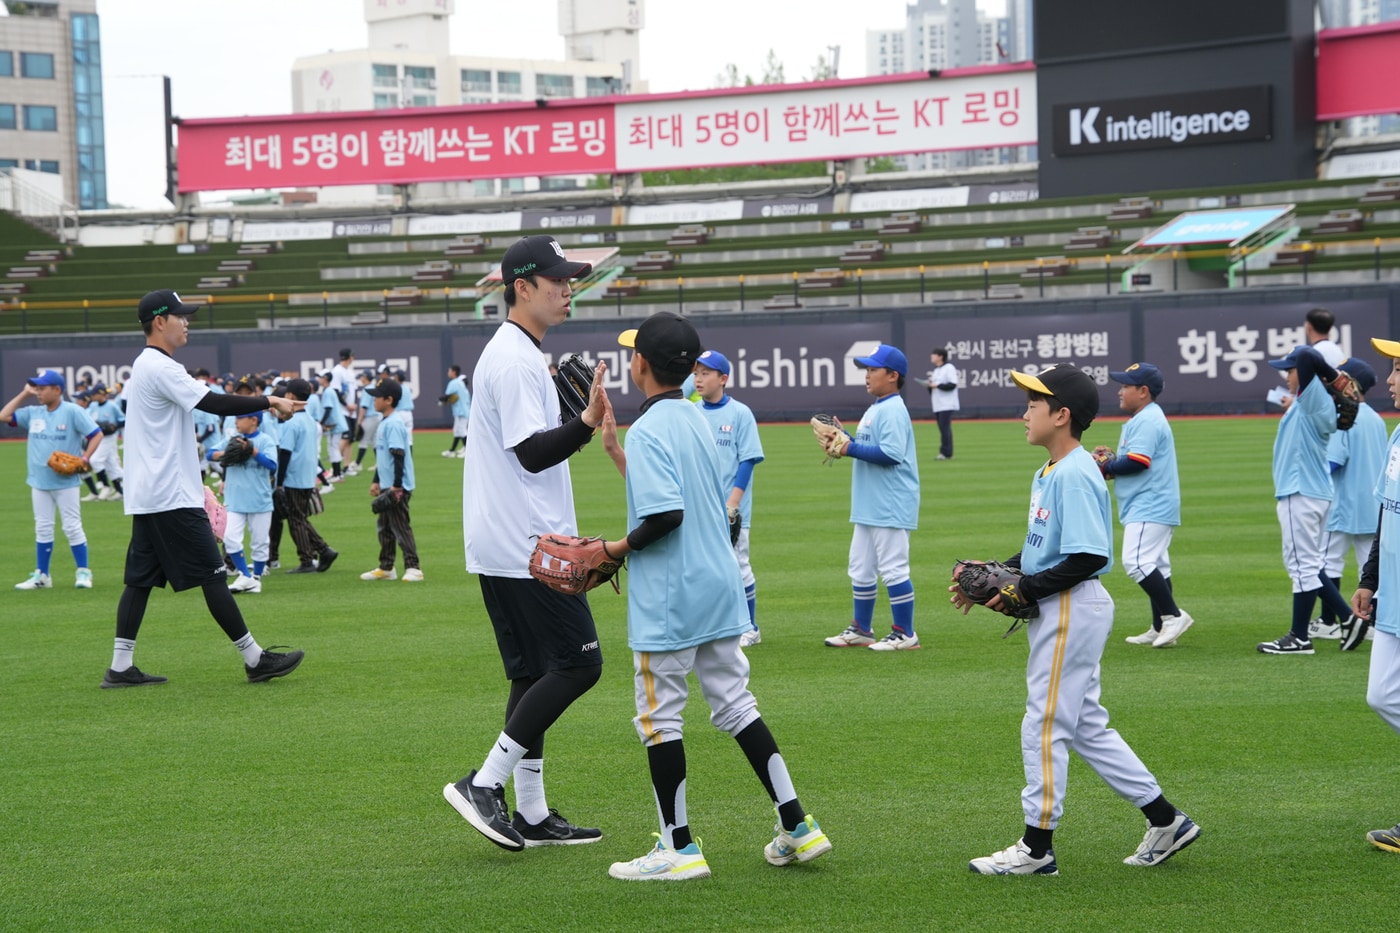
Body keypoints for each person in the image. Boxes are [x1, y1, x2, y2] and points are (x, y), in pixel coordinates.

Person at [600, 311, 831, 881]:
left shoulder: (651, 427)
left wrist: (610, 549)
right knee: (734, 703)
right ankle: (798, 826)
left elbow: (664, 513)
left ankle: (677, 849)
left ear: (641, 365)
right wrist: (614, 452)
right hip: (720, 583)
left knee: (659, 720)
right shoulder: (700, 419)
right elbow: (681, 492)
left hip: (672, 592)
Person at [952, 362, 1200, 875]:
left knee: (1043, 724)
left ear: (1062, 415)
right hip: (1063, 605)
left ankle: (1036, 849)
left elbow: (1089, 556)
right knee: (1085, 725)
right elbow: (1045, 549)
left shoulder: (1077, 471)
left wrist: (1023, 589)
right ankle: (1165, 819)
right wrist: (1000, 574)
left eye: (1034, 405)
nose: (1024, 414)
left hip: (1071, 608)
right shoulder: (1051, 470)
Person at [444, 234, 610, 851]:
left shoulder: (520, 352)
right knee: (580, 663)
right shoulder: (514, 359)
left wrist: (574, 423)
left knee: (535, 672)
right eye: (558, 280)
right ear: (522, 288)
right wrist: (586, 424)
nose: (569, 288)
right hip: (525, 544)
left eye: (571, 279)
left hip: (511, 537)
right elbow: (532, 453)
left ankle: (533, 812)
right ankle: (483, 783)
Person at [102, 290, 305, 688]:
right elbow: (213, 402)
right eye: (180, 316)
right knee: (214, 576)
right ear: (160, 321)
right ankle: (254, 658)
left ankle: (121, 667)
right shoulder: (159, 366)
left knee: (140, 580)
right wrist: (270, 401)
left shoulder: (149, 364)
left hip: (153, 492)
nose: (187, 321)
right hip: (169, 494)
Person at [1258, 345, 1362, 654]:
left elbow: (1305, 355)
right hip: (1308, 491)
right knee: (1308, 564)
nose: (1287, 374)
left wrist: (1331, 376)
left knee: (1302, 566)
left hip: (1301, 491)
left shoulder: (1315, 394)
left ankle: (1299, 637)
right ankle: (1348, 618)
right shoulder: (1313, 400)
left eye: (1289, 370)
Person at [822, 344, 922, 651]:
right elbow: (870, 447)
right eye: (866, 369)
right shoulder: (878, 407)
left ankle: (905, 633)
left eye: (873, 370)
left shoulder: (892, 409)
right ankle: (862, 629)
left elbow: (891, 454)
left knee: (893, 568)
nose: (867, 375)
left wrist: (848, 448)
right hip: (870, 504)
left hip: (889, 502)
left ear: (893, 376)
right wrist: (845, 437)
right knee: (861, 567)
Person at [1096, 363, 1194, 648]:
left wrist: (1106, 465)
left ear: (1143, 391)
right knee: (1158, 567)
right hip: (1151, 502)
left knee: (1137, 562)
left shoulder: (1148, 419)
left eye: (1126, 386)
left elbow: (1139, 461)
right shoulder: (1146, 416)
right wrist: (1111, 467)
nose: (1120, 391)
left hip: (1150, 503)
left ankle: (1173, 616)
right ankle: (1161, 626)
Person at [1351, 337, 1400, 853]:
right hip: (1392, 598)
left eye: (1398, 369)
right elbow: (1388, 515)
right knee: (1382, 694)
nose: (1389, 379)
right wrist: (1369, 578)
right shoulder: (1397, 435)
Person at [1, 369, 101, 590]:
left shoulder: (72, 411)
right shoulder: (34, 412)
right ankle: (42, 576)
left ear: (57, 390)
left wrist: (85, 458)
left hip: (66, 482)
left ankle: (83, 572)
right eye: (37, 387)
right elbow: (4, 416)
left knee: (72, 527)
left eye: (42, 388)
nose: (38, 391)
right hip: (39, 482)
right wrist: (23, 394)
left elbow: (96, 434)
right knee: (43, 527)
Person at [691, 349, 765, 647]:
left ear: (723, 379)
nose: (698, 379)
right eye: (696, 373)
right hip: (700, 507)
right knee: (702, 567)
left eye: (706, 373)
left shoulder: (740, 413)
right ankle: (713, 626)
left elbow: (747, 460)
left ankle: (750, 627)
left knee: (737, 565)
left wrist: (733, 503)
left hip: (731, 508)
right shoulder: (691, 412)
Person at [1314, 359, 1385, 645]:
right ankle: (1372, 623)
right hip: (1373, 506)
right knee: (1369, 567)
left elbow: (1333, 462)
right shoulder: (1377, 418)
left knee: (1328, 562)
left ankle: (1329, 621)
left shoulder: (1346, 414)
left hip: (1343, 506)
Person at [360, 376, 422, 582]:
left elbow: (398, 454)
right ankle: (387, 567)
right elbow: (383, 457)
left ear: (388, 399)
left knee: (400, 526)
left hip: (398, 486)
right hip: (388, 484)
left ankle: (414, 567)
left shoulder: (394, 423)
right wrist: (377, 480)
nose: (373, 400)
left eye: (377, 397)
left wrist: (396, 486)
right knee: (385, 527)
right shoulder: (385, 422)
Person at [274, 378, 338, 575]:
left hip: (294, 476)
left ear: (291, 396)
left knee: (296, 520)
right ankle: (320, 552)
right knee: (299, 517)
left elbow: (285, 453)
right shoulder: (310, 420)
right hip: (308, 475)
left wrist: (279, 482)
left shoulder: (291, 422)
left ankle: (311, 557)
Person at [209, 411, 278, 595]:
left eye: (240, 418)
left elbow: (272, 466)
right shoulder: (234, 439)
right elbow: (210, 454)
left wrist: (253, 451)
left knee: (260, 543)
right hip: (234, 499)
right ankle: (245, 575)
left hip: (260, 500)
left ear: (253, 420)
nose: (236, 421)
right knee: (230, 537)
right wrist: (226, 453)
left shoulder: (265, 440)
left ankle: (255, 579)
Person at [916, 347, 959, 460]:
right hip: (938, 404)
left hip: (947, 403)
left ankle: (946, 453)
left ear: (940, 356)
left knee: (945, 428)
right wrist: (929, 385)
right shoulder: (936, 370)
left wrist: (937, 385)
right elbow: (934, 388)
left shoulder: (949, 368)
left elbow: (952, 384)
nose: (932, 357)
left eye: (934, 354)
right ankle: (946, 453)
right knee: (942, 428)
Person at [87, 383, 126, 501]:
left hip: (108, 438)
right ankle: (121, 491)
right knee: (112, 465)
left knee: (95, 460)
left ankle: (106, 487)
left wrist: (114, 426)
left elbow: (123, 420)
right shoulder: (93, 406)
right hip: (97, 437)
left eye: (94, 394)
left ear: (100, 394)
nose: (92, 396)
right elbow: (86, 418)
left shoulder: (112, 406)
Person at [330, 347, 358, 469]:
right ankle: (335, 466)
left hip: (351, 411)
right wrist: (347, 406)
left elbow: (354, 391)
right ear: (349, 357)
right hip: (342, 410)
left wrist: (354, 405)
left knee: (350, 439)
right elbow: (336, 391)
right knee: (346, 437)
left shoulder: (350, 372)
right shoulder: (337, 371)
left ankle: (346, 466)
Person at [440, 364, 472, 459]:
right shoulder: (461, 384)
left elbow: (447, 397)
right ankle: (452, 451)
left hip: (461, 411)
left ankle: (468, 450)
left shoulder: (454, 383)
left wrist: (440, 401)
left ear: (454, 372)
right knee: (458, 431)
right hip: (462, 411)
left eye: (449, 371)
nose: (448, 373)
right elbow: (454, 398)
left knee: (462, 431)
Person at [352, 370, 378, 475]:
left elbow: (364, 407)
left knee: (363, 440)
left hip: (370, 417)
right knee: (375, 440)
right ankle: (380, 463)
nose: (360, 378)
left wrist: (359, 421)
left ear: (366, 377)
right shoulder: (373, 387)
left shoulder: (367, 389)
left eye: (362, 376)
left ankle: (358, 463)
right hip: (377, 417)